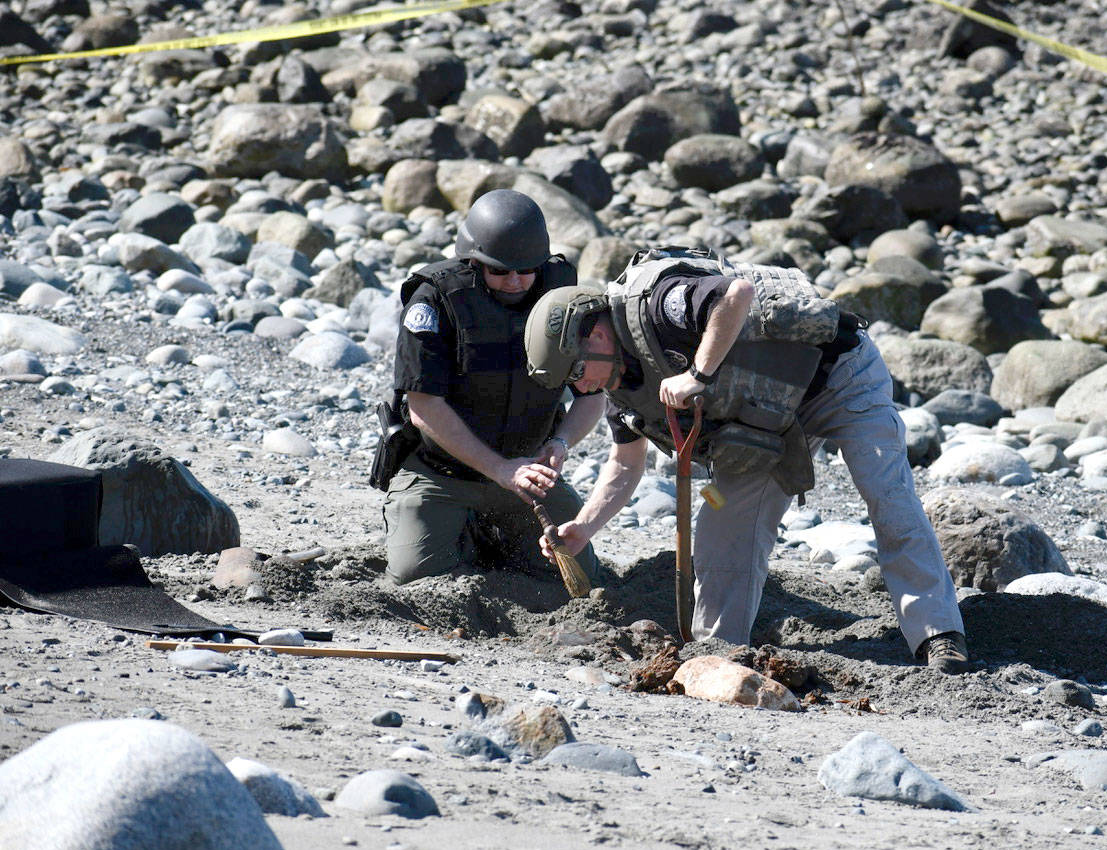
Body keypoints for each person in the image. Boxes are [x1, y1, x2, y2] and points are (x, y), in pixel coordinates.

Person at [523, 247, 971, 673]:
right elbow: (625, 465)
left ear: (597, 336)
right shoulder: (620, 391)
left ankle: (938, 633)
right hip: (766, 424)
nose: (581, 389)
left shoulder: (659, 304)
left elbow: (735, 295)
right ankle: (719, 650)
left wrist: (696, 374)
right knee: (721, 523)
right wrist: (583, 527)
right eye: (571, 383)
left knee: (886, 494)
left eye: (577, 373)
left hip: (837, 377)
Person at [381, 189, 604, 586]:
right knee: (415, 576)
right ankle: (464, 528)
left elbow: (594, 394)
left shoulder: (561, 301)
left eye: (526, 269)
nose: (515, 280)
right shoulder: (435, 301)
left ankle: (489, 532)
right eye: (499, 270)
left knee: (582, 577)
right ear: (473, 259)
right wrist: (500, 469)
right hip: (441, 474)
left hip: (527, 474)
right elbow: (423, 405)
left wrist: (561, 442)